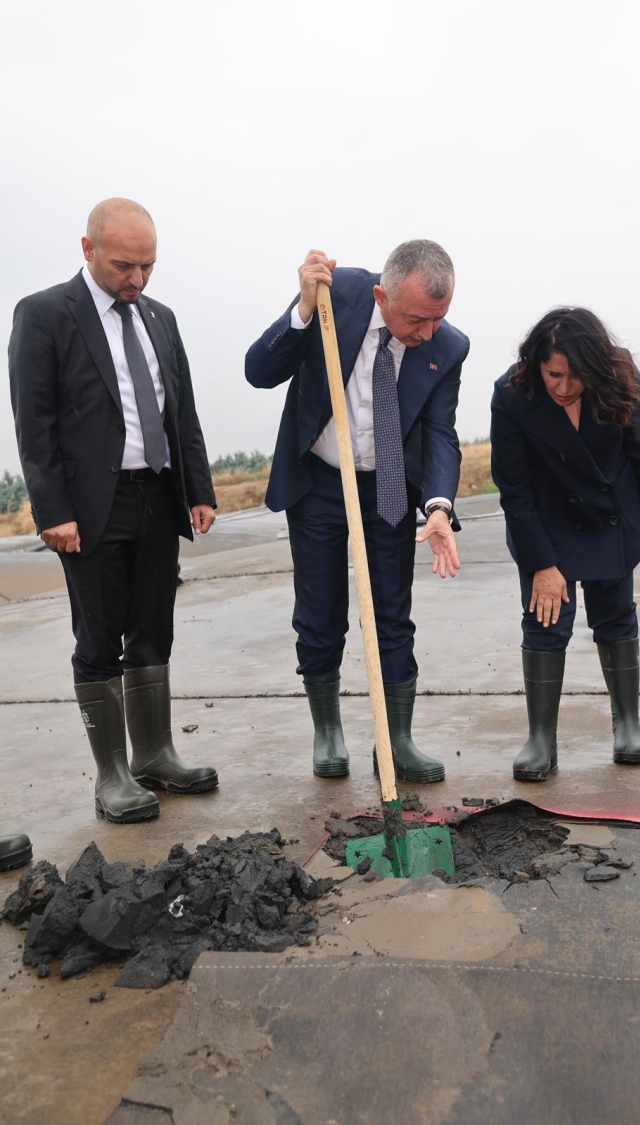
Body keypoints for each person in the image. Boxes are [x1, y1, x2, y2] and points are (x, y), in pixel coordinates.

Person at [9, 198, 219, 823]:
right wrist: (51, 509)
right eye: (125, 265)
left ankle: (155, 754)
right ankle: (113, 775)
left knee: (154, 626)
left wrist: (198, 488)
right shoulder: (45, 314)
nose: (137, 278)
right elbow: (33, 421)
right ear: (88, 249)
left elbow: (180, 408)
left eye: (148, 266)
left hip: (158, 492)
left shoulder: (160, 317)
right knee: (99, 635)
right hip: (89, 506)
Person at [245, 242, 469, 782]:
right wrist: (303, 309)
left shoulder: (449, 347)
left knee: (392, 611)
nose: (427, 333)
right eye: (416, 319)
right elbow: (259, 371)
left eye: (438, 318)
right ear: (381, 296)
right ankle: (328, 733)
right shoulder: (331, 295)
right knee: (321, 612)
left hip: (389, 483)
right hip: (320, 481)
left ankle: (396, 741)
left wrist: (439, 505)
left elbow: (440, 433)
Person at [490, 307, 640, 781]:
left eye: (576, 376)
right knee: (544, 622)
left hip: (610, 512)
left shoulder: (621, 375)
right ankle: (541, 740)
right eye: (554, 375)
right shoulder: (511, 393)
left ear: (596, 367)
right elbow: (514, 488)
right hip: (546, 518)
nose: (564, 387)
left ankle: (627, 725)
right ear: (537, 365)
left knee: (615, 614)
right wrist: (542, 563)